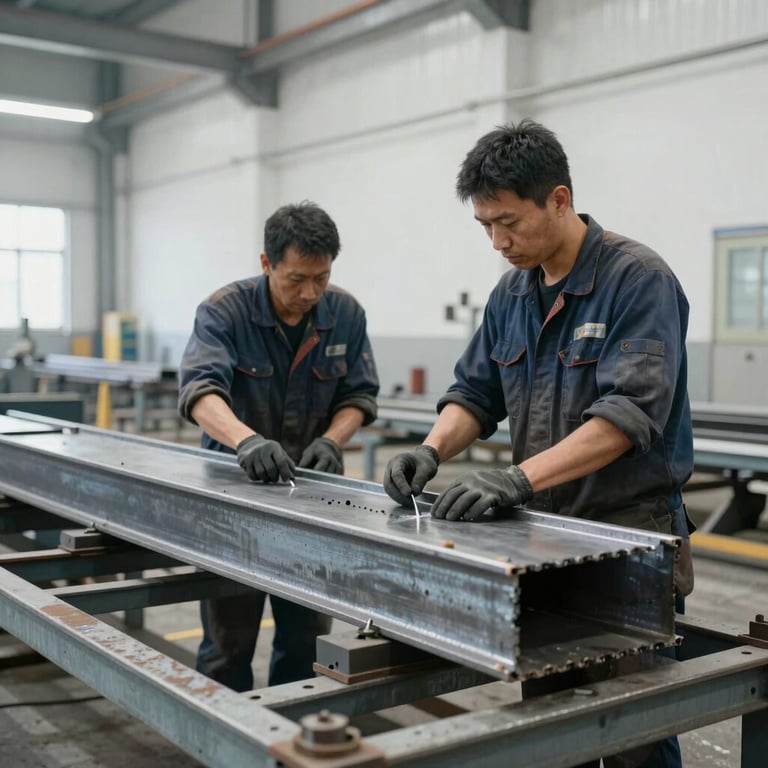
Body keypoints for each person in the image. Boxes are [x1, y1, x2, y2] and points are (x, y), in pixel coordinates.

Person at [383, 120, 694, 768]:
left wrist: (517, 480)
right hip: (542, 541)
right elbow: (475, 392)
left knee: (634, 730)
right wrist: (432, 450)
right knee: (551, 725)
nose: (499, 242)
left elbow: (629, 413)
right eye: (485, 227)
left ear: (558, 199)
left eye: (509, 222)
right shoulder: (511, 294)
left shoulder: (637, 280)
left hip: (625, 539)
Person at [179, 201, 379, 692]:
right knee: (229, 644)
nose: (310, 292)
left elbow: (358, 395)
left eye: (322, 278)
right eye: (296, 279)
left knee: (307, 642)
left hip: (311, 505)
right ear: (266, 264)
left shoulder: (346, 314)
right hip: (234, 502)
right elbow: (200, 393)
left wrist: (334, 441)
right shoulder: (224, 311)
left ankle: (292, 743)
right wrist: (245, 441)